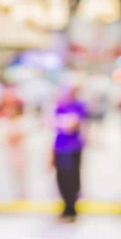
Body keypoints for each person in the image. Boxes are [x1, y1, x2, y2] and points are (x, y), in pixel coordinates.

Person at [49, 85, 87, 223]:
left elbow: (71, 126)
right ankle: (66, 207)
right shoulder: (59, 106)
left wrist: (61, 122)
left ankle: (71, 209)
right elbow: (51, 123)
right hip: (60, 148)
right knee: (61, 179)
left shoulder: (78, 105)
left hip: (72, 149)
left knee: (71, 180)